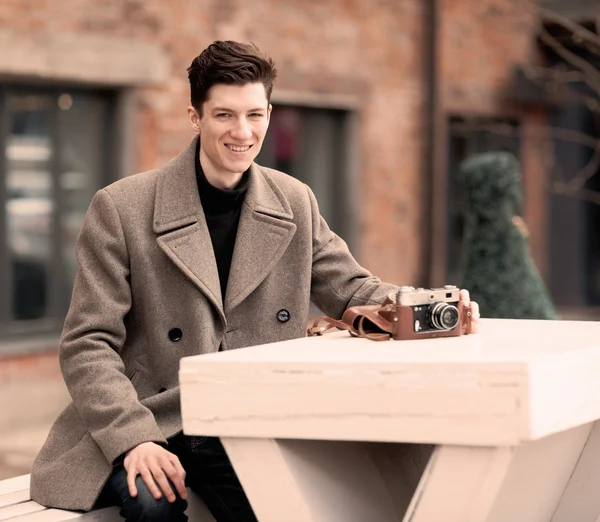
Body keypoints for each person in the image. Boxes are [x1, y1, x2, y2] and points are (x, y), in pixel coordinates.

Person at [30, 41, 480, 522]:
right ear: (194, 117)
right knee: (152, 505)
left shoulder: (293, 200)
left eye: (254, 115)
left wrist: (423, 305)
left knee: (298, 505)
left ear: (269, 113)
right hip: (154, 417)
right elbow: (87, 343)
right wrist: (134, 439)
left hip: (247, 421)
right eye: (224, 115)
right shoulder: (123, 208)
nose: (241, 132)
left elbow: (350, 287)